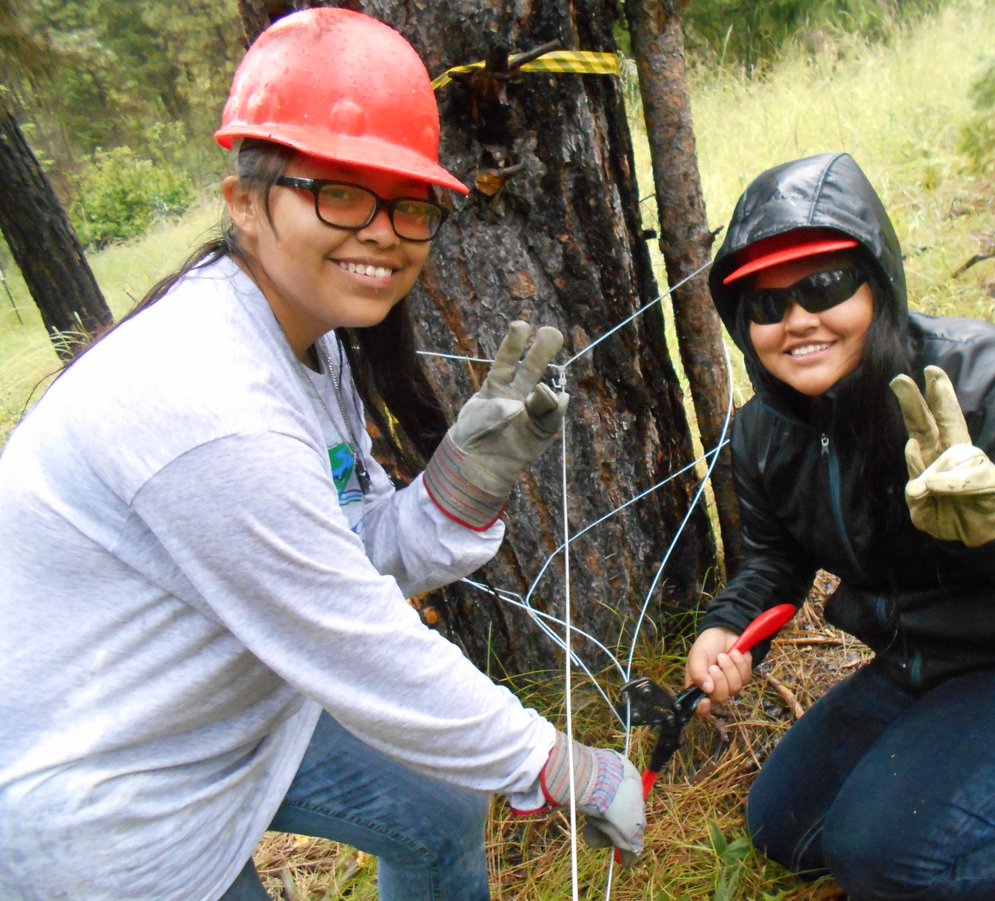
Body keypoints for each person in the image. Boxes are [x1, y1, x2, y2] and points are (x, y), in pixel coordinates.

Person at [0, 9, 643, 900]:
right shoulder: (208, 402)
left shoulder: (306, 340)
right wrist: (553, 761)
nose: (383, 230)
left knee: (436, 802)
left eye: (409, 204)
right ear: (244, 202)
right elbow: (355, 637)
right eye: (339, 191)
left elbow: (344, 551)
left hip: (229, 717)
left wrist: (460, 486)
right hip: (111, 808)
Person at [685, 151, 995, 900]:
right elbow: (774, 559)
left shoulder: (991, 376)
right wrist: (727, 628)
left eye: (823, 286)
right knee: (787, 827)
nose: (796, 320)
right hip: (919, 661)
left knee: (882, 859)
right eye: (764, 306)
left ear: (877, 283)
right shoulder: (764, 431)